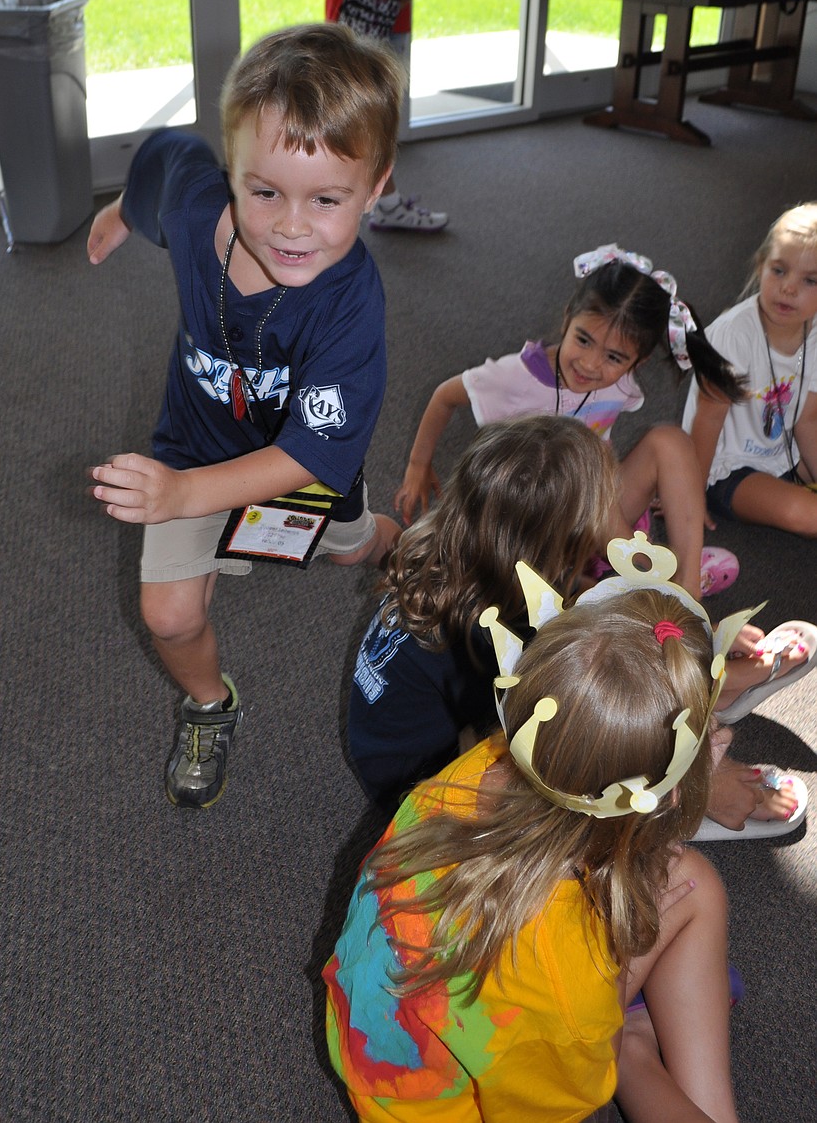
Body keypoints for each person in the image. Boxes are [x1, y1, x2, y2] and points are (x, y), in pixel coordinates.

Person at [87, 23, 404, 809]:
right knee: (167, 611)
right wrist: (127, 209)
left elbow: (310, 452)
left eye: (327, 200)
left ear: (377, 187)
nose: (292, 226)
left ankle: (395, 541)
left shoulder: (352, 304)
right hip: (194, 448)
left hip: (303, 465)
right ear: (232, 173)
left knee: (346, 550)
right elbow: (165, 156)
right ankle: (208, 705)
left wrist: (184, 497)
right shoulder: (198, 210)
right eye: (264, 191)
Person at [327, 573, 741, 1122]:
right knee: (697, 888)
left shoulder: (486, 764)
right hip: (505, 1063)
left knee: (690, 882)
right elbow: (547, 1106)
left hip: (392, 1045)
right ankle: (634, 1052)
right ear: (660, 803)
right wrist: (609, 1019)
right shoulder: (567, 993)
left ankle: (635, 1043)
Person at [350, 415, 806, 840]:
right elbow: (582, 713)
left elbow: (568, 594)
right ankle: (688, 792)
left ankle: (707, 684)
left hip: (402, 751)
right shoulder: (492, 632)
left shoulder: (458, 546)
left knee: (611, 652)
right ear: (556, 540)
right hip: (436, 799)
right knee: (608, 702)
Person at [395, 243, 747, 602]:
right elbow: (444, 396)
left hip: (594, 525)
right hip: (526, 526)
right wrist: (418, 465)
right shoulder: (513, 378)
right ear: (567, 319)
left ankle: (684, 590)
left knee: (669, 441)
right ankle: (643, 583)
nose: (591, 365)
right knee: (588, 485)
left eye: (613, 357)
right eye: (583, 339)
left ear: (636, 364)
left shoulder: (621, 382)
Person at [300, 0, 448, 233]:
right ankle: (369, 201)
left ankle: (380, 202)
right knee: (356, 112)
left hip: (395, 13)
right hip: (355, 13)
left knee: (385, 113)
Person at [683, 202, 817, 537]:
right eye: (779, 270)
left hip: (787, 456)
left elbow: (808, 421)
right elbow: (707, 421)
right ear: (761, 266)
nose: (788, 288)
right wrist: (688, 498)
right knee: (806, 515)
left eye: (810, 280)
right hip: (726, 469)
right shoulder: (733, 335)